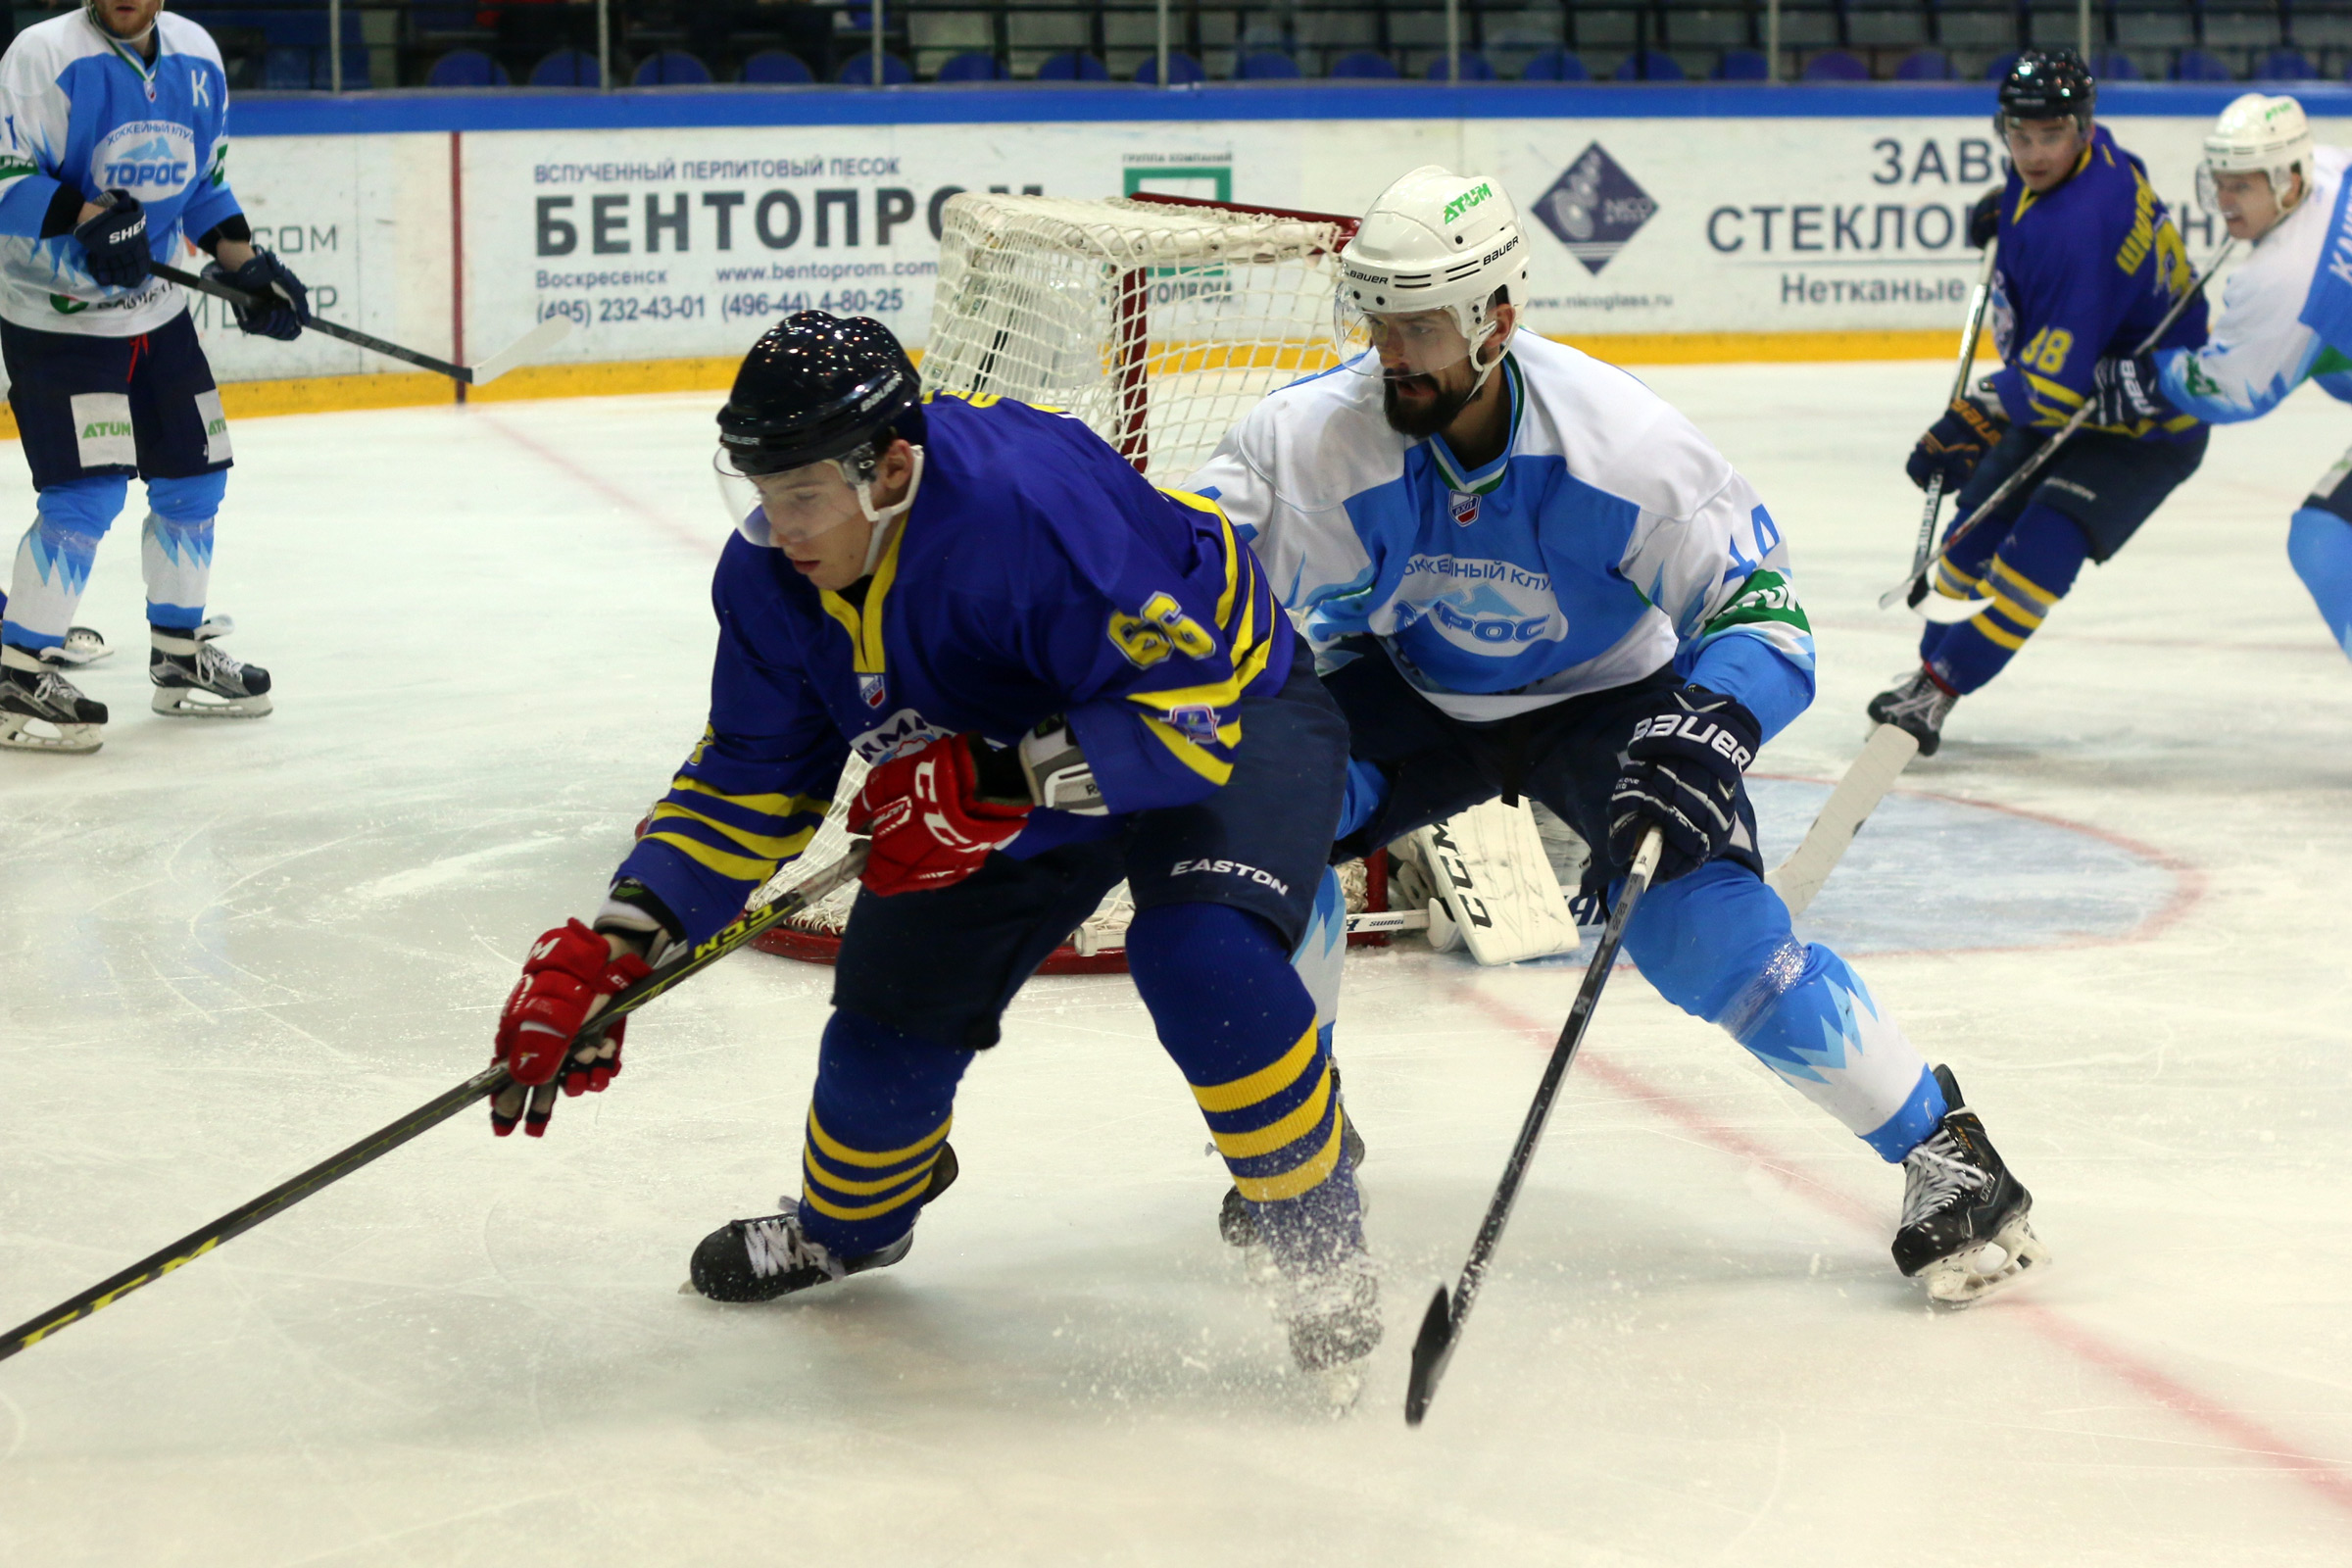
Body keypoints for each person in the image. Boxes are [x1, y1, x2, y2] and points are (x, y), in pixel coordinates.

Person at [1187, 165, 2047, 1305]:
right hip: (1407, 684)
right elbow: (1189, 589)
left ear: (1497, 318)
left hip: (1608, 698)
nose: (1393, 352)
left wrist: (1711, 724)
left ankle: (1947, 1152)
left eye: (1423, 325)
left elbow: (1763, 613)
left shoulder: (1622, 442)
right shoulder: (1308, 442)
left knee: (1703, 929)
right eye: (1379, 321)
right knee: (1256, 843)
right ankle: (1297, 1135)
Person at [487, 313, 1381, 1383]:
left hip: (1227, 710)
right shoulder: (770, 575)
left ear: (893, 470)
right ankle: (849, 1230)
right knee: (881, 1045)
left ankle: (1318, 1240)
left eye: (803, 495)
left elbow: (1188, 719)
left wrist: (995, 782)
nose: (779, 527)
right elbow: (751, 778)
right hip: (994, 770)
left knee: (1204, 960)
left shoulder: (1027, 509)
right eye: (761, 492)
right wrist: (625, 939)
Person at [1871, 49, 2209, 756]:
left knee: (2036, 557)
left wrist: (1975, 414)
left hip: (2146, 421)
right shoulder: (2096, 160)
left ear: (2081, 126)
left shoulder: (2083, 229)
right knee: (1969, 537)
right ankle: (1931, 669)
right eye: (2018, 136)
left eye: (2049, 136)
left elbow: (2053, 385)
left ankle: (1939, 689)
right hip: (2075, 389)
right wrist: (2011, 213)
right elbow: (2119, 180)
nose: (2031, 154)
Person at [0, 0, 305, 754]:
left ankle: (178, 655)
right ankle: (15, 675)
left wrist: (247, 270)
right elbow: (6, 178)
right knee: (86, 495)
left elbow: (202, 188)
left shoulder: (197, 55)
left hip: (158, 316)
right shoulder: (42, 54)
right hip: (59, 317)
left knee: (195, 480)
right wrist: (88, 216)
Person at [2085, 92, 2352, 661]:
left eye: (2242, 186)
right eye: (2220, 182)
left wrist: (2150, 377)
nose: (2224, 200)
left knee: (2327, 539)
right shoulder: (2330, 166)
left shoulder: (2281, 279)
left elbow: (2234, 391)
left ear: (2288, 182)